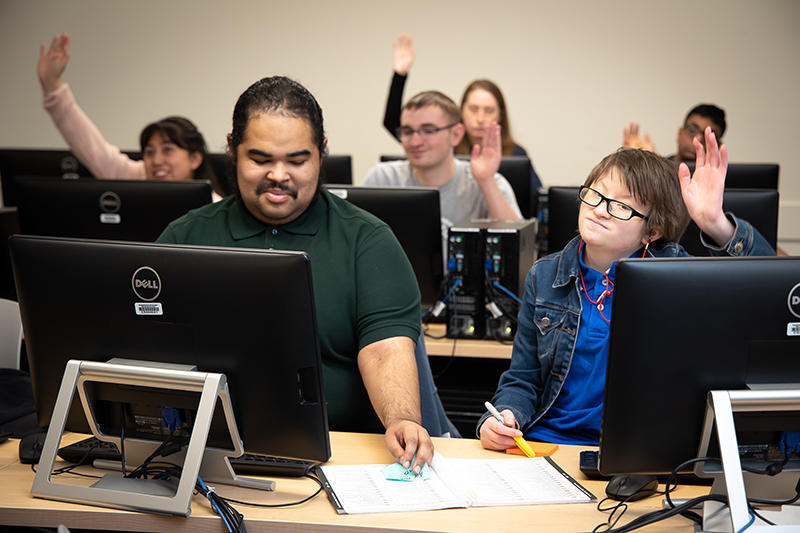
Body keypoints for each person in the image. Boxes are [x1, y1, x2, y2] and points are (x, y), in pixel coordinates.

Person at [157, 76, 434, 473]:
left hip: (341, 448)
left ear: (322, 153)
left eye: (297, 160)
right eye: (261, 159)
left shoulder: (367, 240)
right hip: (203, 448)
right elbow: (150, 349)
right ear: (232, 149)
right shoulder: (185, 236)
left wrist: (401, 417)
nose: (279, 175)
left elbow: (385, 348)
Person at [478, 128, 775, 449]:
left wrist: (716, 223)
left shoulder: (674, 273)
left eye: (621, 206)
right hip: (546, 442)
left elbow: (769, 295)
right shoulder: (545, 275)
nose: (600, 209)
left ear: (652, 232)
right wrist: (504, 417)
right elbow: (523, 379)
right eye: (596, 194)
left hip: (635, 448)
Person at [38, 33, 222, 198]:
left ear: (195, 159)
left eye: (167, 150)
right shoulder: (139, 176)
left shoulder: (213, 209)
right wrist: (52, 85)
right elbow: (92, 148)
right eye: (149, 152)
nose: (156, 161)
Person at [383, 34, 542, 190]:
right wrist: (400, 75)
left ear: (500, 115)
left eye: (488, 110)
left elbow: (536, 198)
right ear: (461, 112)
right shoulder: (444, 146)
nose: (480, 118)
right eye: (473, 109)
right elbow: (394, 124)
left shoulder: (516, 153)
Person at [365, 90, 521, 248]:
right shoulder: (382, 179)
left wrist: (486, 181)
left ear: (456, 134)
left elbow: (519, 249)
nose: (415, 141)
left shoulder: (488, 182)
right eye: (407, 131)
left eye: (428, 131)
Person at [623, 103, 726, 163]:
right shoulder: (658, 169)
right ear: (680, 133)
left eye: (708, 136)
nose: (697, 140)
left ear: (717, 145)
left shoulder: (721, 180)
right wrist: (646, 162)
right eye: (692, 130)